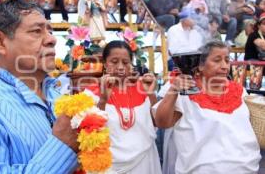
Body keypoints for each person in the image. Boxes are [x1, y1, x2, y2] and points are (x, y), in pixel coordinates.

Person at [0, 0, 78, 173]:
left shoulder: (57, 98)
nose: (51, 39)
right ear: (0, 42)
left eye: (50, 30)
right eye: (36, 31)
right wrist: (62, 146)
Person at [154, 41, 261, 173]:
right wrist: (174, 90)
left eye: (227, 60)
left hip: (246, 168)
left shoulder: (239, 91)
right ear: (200, 65)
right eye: (217, 60)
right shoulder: (184, 89)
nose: (224, 66)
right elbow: (162, 122)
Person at [84, 40, 162, 174]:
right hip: (108, 165)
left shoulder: (142, 88)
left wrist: (151, 94)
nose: (120, 67)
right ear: (104, 64)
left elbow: (158, 123)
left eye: (125, 63)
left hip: (144, 162)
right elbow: (89, 132)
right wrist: (102, 100)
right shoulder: (91, 93)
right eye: (114, 62)